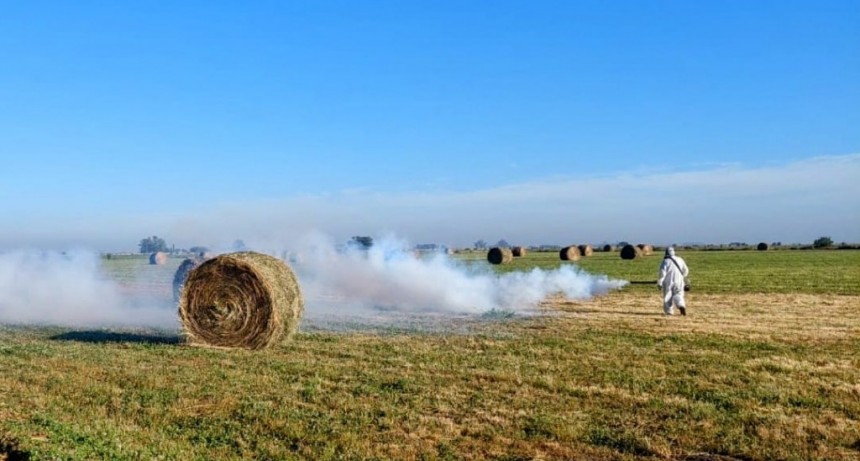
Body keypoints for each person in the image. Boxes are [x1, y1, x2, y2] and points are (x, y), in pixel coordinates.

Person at [657, 247, 689, 315]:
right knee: (679, 294)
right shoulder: (680, 259)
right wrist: (682, 277)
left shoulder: (665, 261)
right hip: (679, 281)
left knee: (668, 296)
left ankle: (669, 311)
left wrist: (660, 282)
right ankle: (681, 305)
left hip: (668, 281)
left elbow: (662, 273)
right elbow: (686, 270)